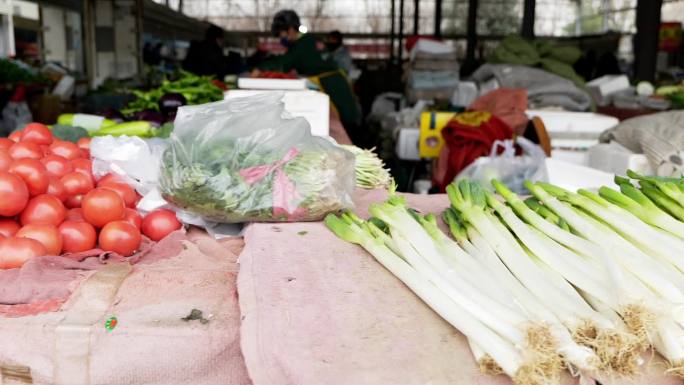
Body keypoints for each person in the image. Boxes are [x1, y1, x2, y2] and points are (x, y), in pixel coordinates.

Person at [257, 10, 361, 133]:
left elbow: (283, 64)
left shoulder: (301, 45)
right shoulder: (309, 39)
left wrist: (259, 69)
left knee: (345, 125)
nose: (281, 39)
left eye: (281, 34)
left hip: (331, 86)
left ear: (290, 29)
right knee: (346, 121)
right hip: (336, 83)